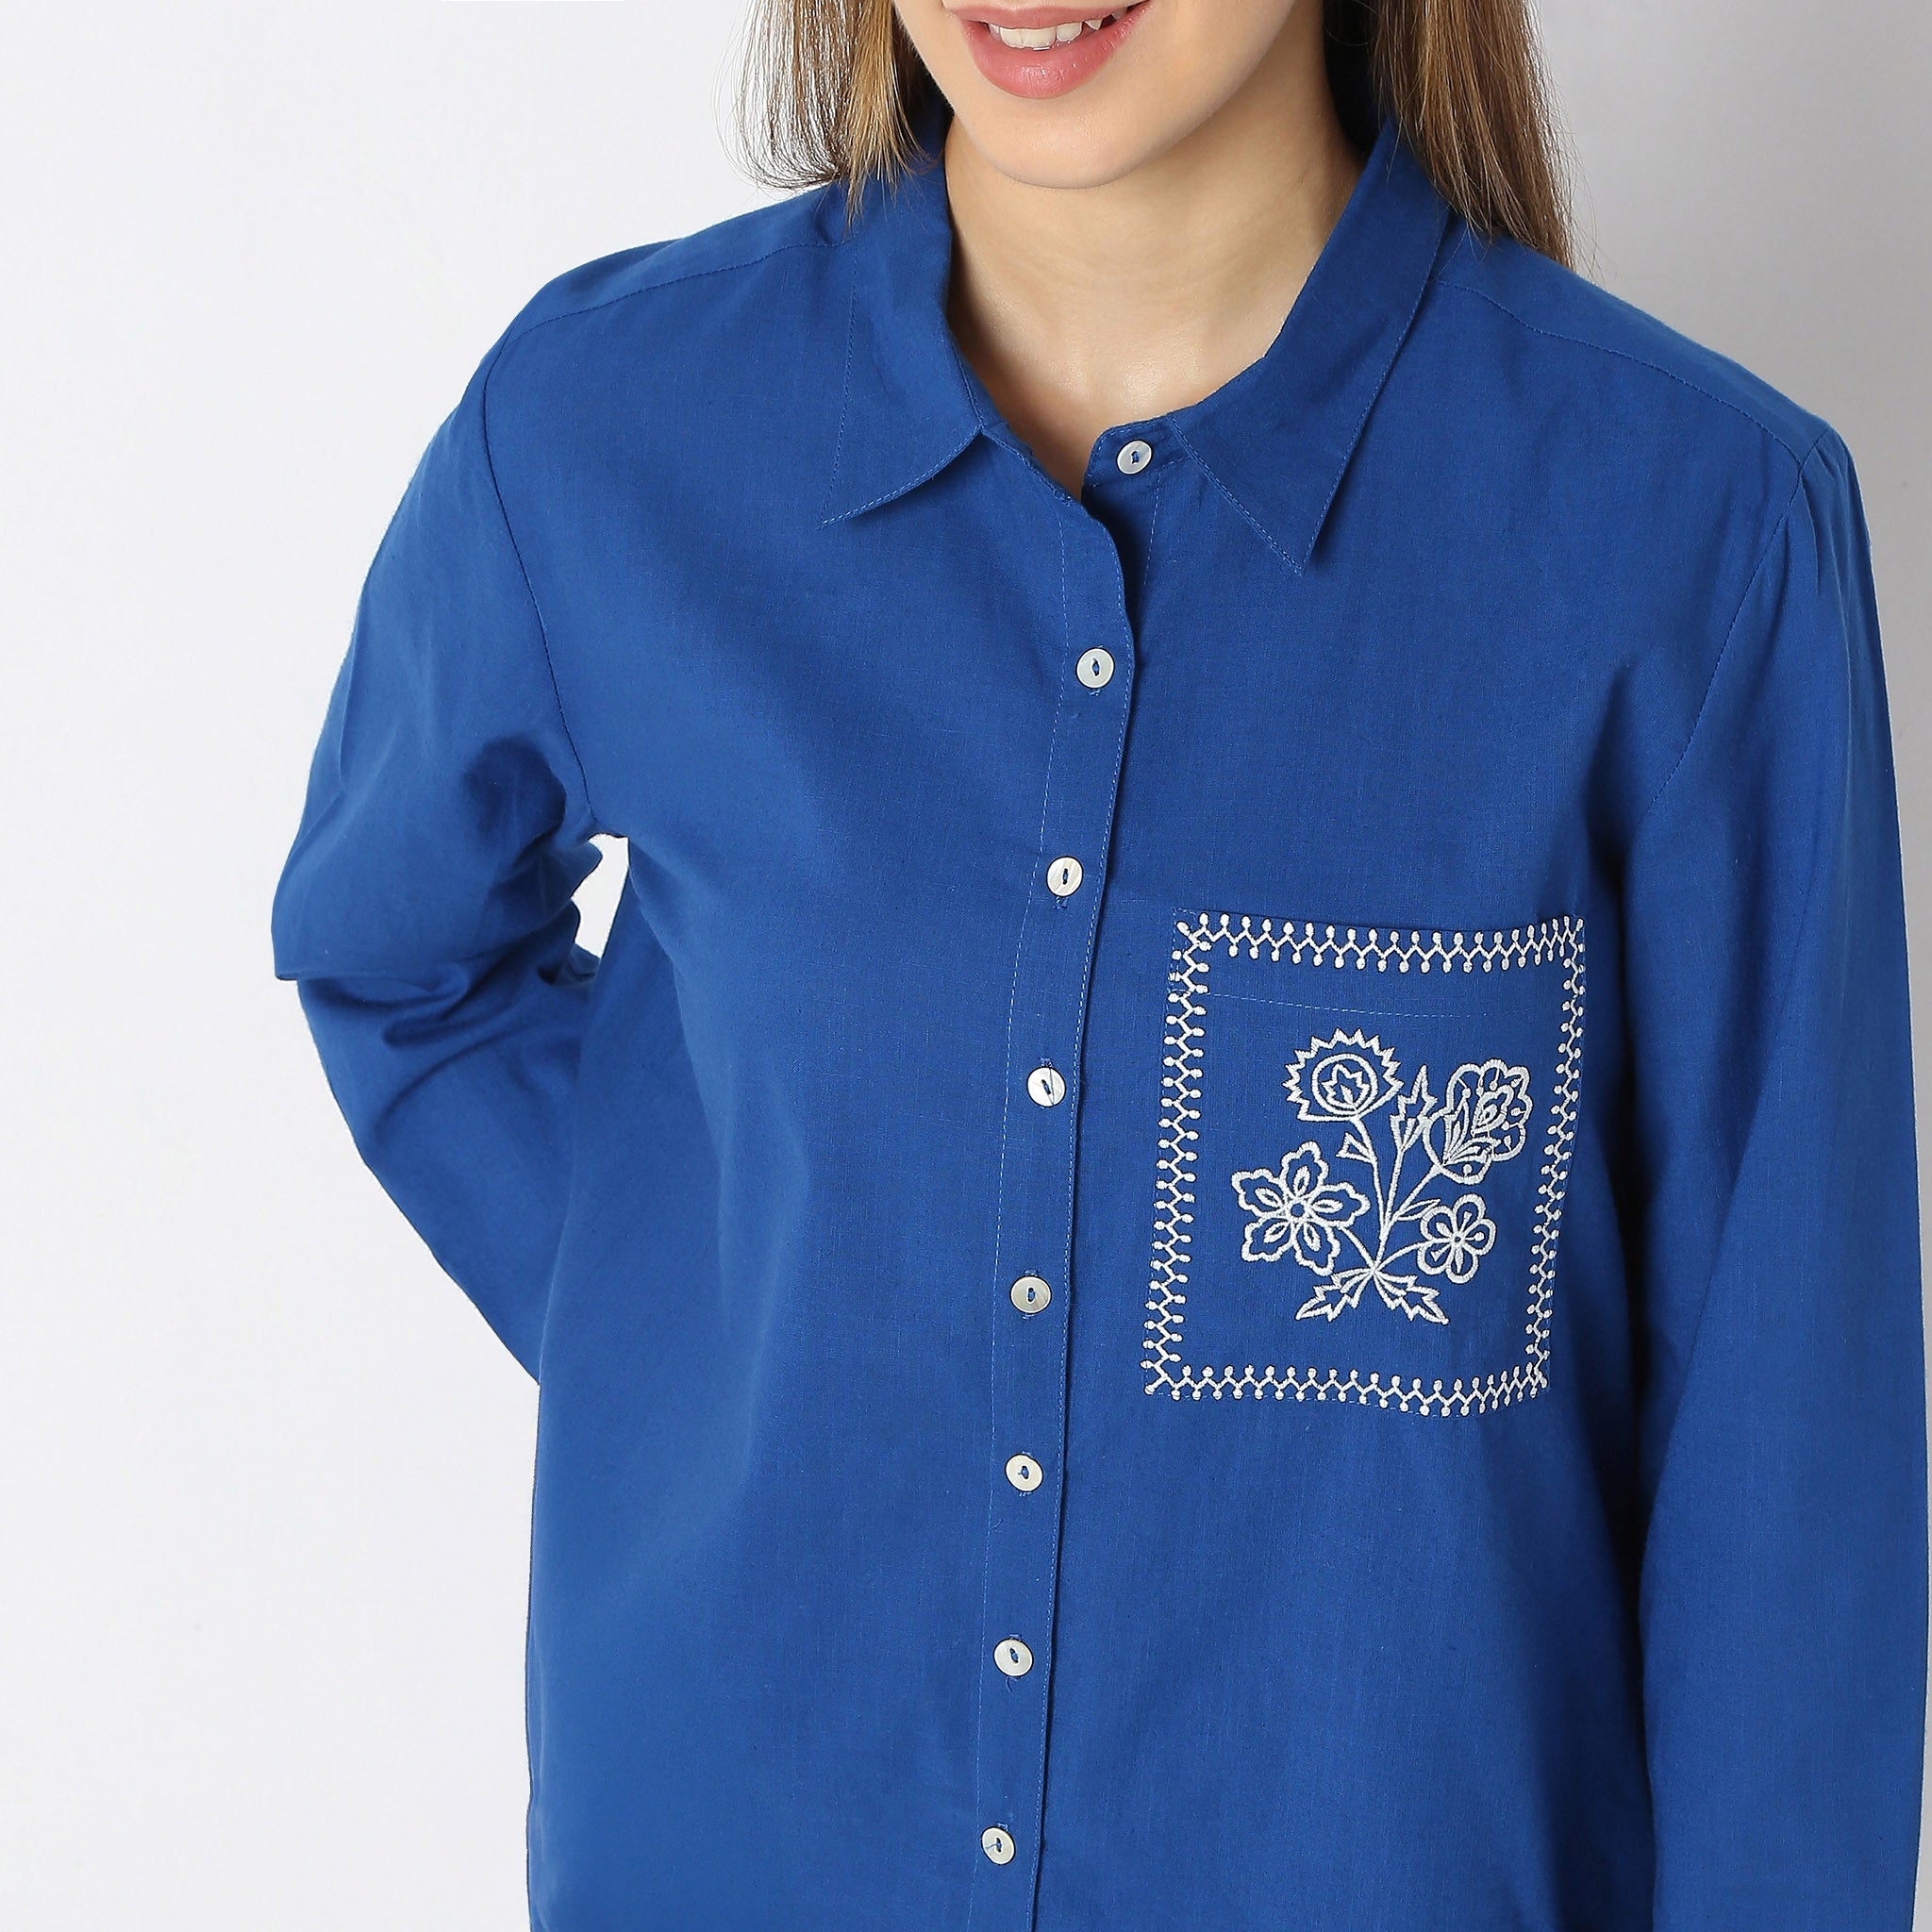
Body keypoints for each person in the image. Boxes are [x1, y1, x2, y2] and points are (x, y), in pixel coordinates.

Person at [271, 0, 1927, 1924]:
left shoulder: (1690, 527)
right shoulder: (602, 430)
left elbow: (1783, 1463)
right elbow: (399, 956)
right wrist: (726, 1312)